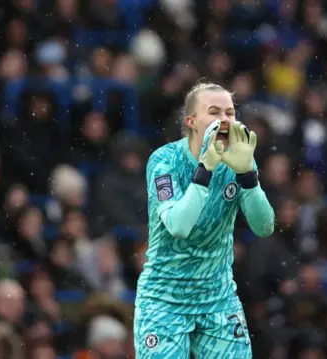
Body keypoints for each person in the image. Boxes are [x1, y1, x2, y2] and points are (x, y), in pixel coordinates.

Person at [134, 81, 275, 358]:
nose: (224, 120)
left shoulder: (240, 159)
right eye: (214, 112)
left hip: (218, 299)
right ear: (192, 121)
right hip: (164, 299)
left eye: (230, 113)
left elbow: (264, 227)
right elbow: (178, 226)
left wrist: (248, 175)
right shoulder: (164, 161)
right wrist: (206, 168)